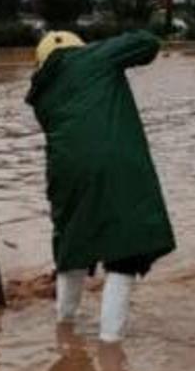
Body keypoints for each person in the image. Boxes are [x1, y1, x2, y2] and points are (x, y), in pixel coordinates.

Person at [26, 30, 176, 343]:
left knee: (72, 246)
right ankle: (110, 348)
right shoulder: (97, 56)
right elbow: (148, 42)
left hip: (64, 173)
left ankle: (63, 327)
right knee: (123, 258)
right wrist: (104, 47)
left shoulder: (40, 94)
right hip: (115, 167)